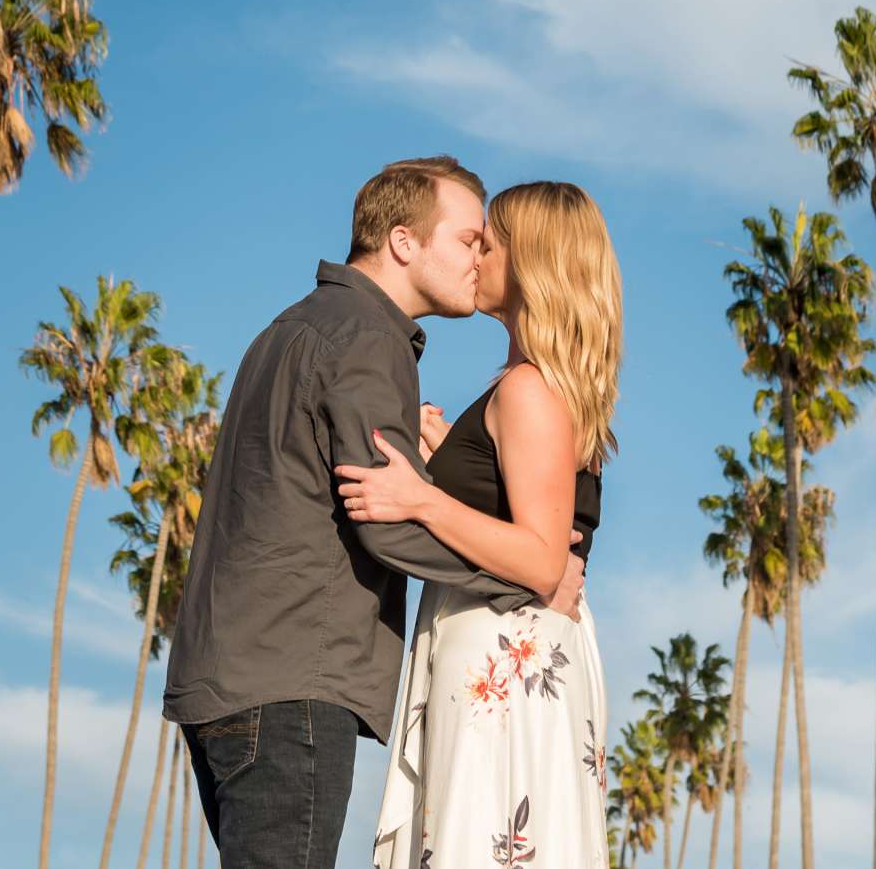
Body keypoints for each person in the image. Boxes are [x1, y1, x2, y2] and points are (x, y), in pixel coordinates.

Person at [164, 157, 587, 869]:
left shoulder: (289, 329)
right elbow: (384, 515)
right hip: (293, 683)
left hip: (226, 681)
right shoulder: (366, 337)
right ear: (402, 241)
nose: (479, 257)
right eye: (467, 239)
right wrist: (531, 578)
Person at [338, 180, 621, 869]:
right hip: (512, 648)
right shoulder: (534, 384)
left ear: (530, 261)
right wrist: (444, 467)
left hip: (506, 652)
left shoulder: (528, 389)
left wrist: (421, 498)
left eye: (489, 242)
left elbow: (541, 559)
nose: (476, 254)